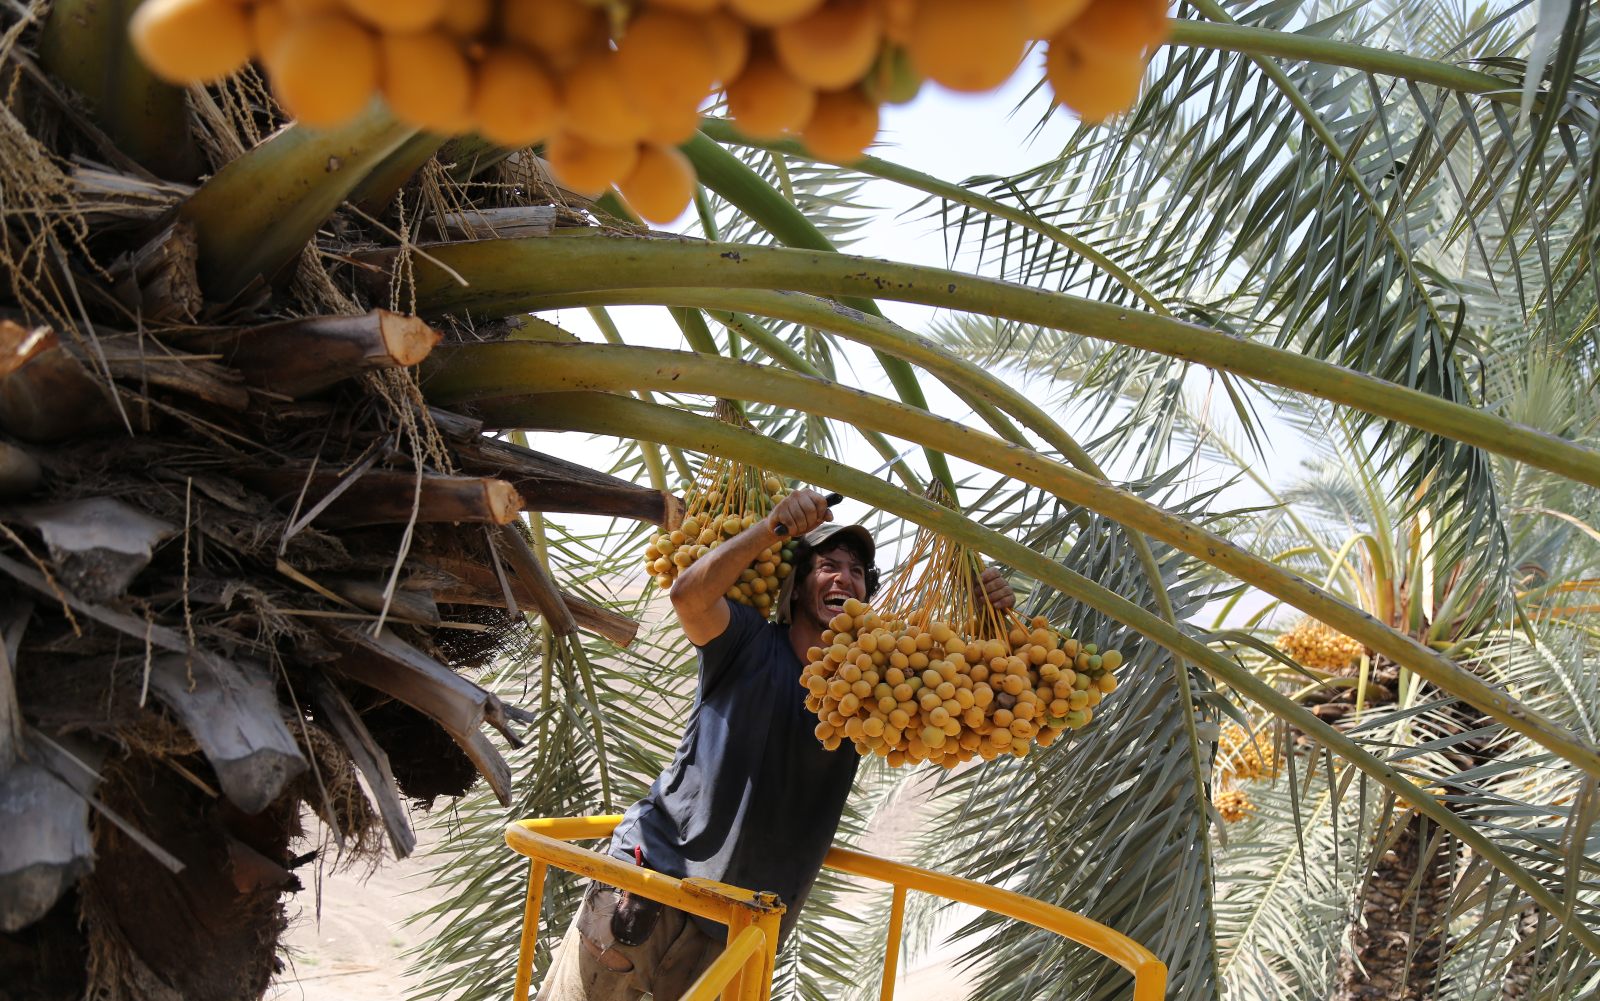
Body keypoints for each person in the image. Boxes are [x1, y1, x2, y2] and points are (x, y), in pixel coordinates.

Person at [538, 489, 1013, 1001]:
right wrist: (772, 529)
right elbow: (687, 598)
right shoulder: (746, 640)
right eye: (827, 565)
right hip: (651, 879)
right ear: (796, 587)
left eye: (857, 571)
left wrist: (995, 624)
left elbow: (991, 716)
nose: (844, 578)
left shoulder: (869, 694)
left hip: (739, 927)